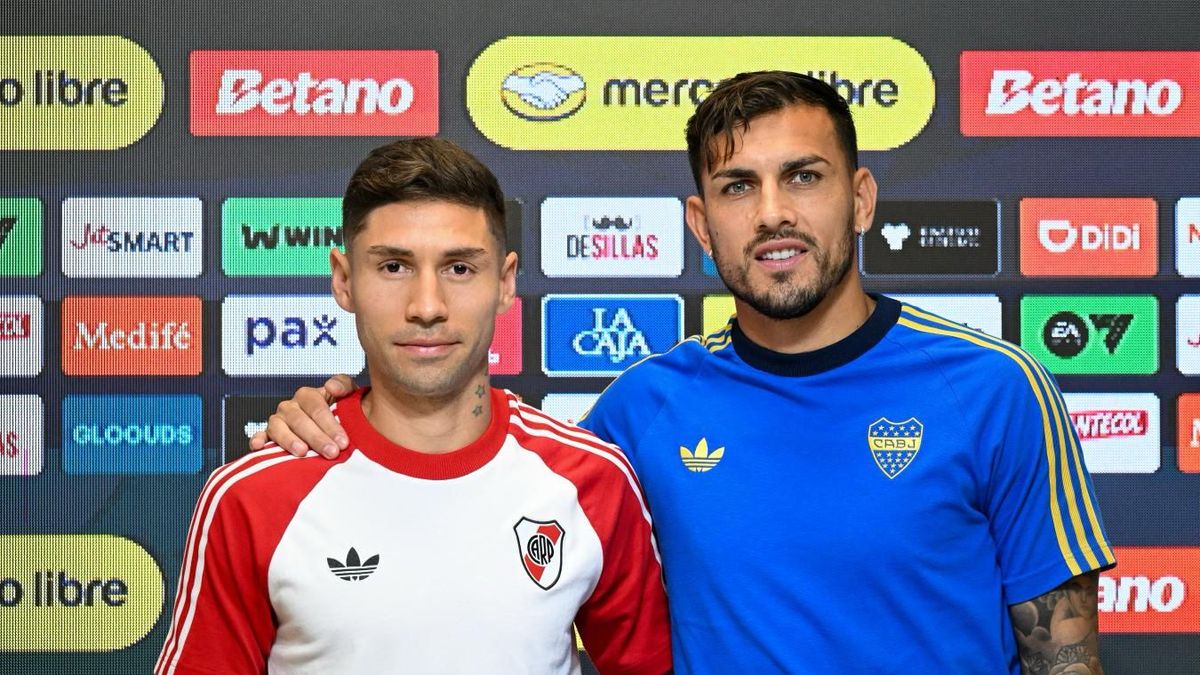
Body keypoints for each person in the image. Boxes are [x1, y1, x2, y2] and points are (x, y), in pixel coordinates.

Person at [257, 72, 1114, 674]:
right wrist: (336, 414)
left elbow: (1064, 656)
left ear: (859, 198)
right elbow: (480, 480)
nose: (773, 213)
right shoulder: (641, 409)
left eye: (803, 178)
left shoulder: (995, 387)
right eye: (738, 187)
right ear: (702, 223)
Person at [157, 138, 672, 674]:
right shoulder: (251, 495)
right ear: (344, 280)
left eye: (459, 268)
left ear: (505, 283)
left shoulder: (591, 480)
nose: (427, 307)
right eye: (394, 267)